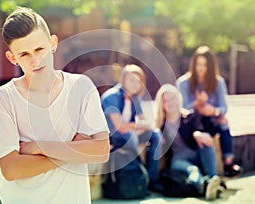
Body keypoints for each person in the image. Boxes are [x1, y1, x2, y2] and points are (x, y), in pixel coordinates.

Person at [0, 7, 110, 204]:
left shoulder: (81, 87)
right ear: (12, 58)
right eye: (24, 54)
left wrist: (37, 147)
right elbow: (11, 169)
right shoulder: (4, 98)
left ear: (53, 43)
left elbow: (101, 150)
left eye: (39, 49)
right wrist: (74, 150)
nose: (35, 61)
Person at [176, 46, 243, 178]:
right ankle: (210, 175)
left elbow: (223, 107)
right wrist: (197, 104)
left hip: (210, 120)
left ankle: (228, 162)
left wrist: (214, 111)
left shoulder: (218, 82)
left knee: (224, 122)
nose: (200, 68)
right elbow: (182, 108)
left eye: (204, 65)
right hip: (192, 123)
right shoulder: (183, 83)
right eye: (198, 64)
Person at [155, 84, 222, 200]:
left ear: (178, 99)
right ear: (162, 105)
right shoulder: (161, 125)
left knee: (206, 143)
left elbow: (205, 128)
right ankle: (205, 185)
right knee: (193, 170)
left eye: (172, 99)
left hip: (196, 154)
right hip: (178, 160)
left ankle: (213, 178)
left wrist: (198, 133)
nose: (170, 103)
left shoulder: (190, 117)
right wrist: (158, 135)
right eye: (166, 100)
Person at [101, 64, 162, 192]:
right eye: (132, 80)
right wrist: (138, 126)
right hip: (111, 136)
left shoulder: (136, 99)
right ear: (123, 80)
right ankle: (139, 174)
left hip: (128, 134)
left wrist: (138, 126)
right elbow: (120, 127)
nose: (135, 84)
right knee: (130, 135)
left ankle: (151, 179)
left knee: (155, 134)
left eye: (139, 82)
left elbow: (144, 123)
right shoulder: (111, 97)